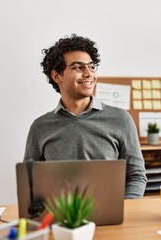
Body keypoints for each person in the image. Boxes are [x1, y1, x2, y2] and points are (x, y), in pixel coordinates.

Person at [24, 34, 147, 199]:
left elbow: (136, 175)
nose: (89, 74)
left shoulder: (121, 119)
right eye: (78, 67)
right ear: (56, 76)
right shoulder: (40, 127)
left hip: (111, 216)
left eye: (91, 66)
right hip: (62, 219)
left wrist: (125, 208)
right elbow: (29, 182)